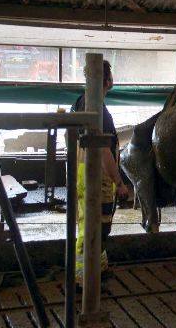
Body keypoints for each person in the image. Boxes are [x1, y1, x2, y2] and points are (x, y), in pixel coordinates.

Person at [71, 59, 129, 287]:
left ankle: (99, 266)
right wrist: (119, 182)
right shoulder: (98, 110)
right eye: (111, 76)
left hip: (83, 171)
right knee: (95, 224)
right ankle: (82, 277)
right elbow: (104, 150)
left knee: (95, 222)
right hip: (98, 176)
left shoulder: (80, 101)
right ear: (107, 81)